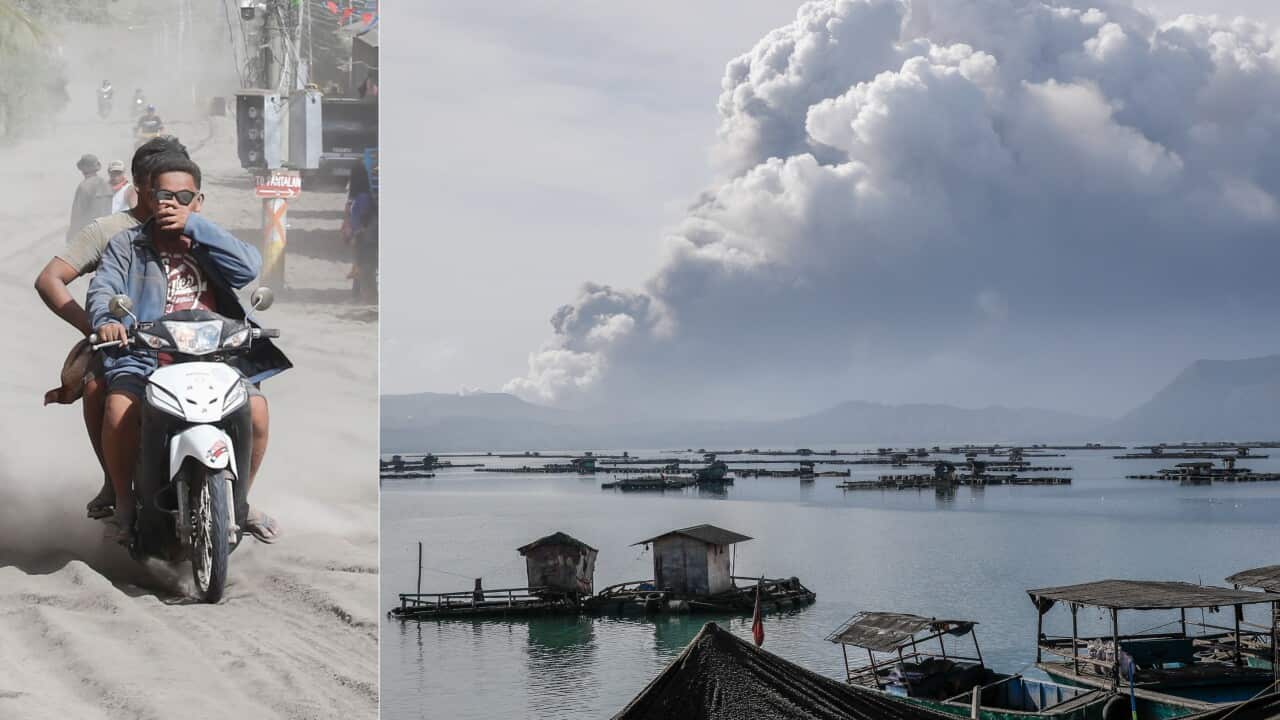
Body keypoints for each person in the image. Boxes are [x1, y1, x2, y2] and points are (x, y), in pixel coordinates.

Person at [87, 153, 290, 544]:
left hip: (214, 359)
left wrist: (195, 227)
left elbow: (248, 269)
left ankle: (240, 503)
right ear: (148, 196)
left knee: (258, 412)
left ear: (198, 200)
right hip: (145, 356)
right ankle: (126, 505)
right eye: (164, 194)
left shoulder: (209, 239)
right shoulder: (126, 245)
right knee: (117, 410)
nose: (172, 203)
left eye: (184, 197)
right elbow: (103, 289)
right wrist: (108, 321)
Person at [37, 137, 190, 519]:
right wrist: (94, 325)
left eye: (183, 189)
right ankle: (113, 480)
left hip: (187, 344)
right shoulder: (108, 231)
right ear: (141, 185)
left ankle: (235, 497)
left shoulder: (196, 228)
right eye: (163, 186)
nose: (174, 196)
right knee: (95, 387)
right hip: (123, 346)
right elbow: (50, 279)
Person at [67, 154, 113, 243]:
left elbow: (77, 214)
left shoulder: (84, 186)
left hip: (89, 234)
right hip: (106, 231)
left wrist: (72, 234)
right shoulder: (106, 184)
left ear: (83, 169)